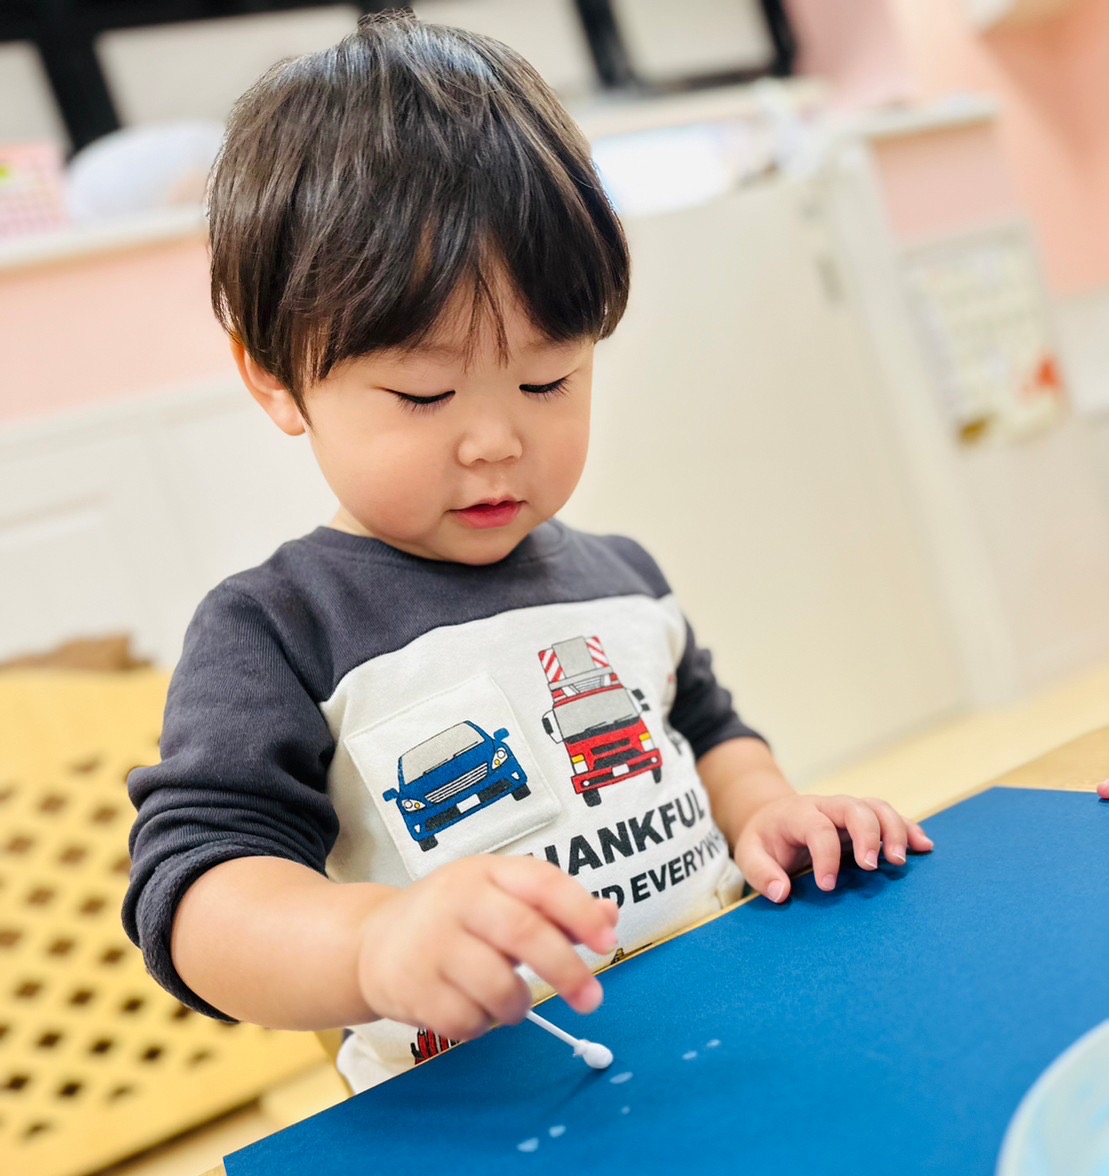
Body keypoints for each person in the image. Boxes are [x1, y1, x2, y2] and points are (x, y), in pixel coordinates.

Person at [123, 14, 933, 1092]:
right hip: (479, 1114)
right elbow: (196, 896)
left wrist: (768, 812)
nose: (495, 440)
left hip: (711, 1037)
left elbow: (709, 732)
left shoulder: (622, 578)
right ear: (274, 378)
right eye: (423, 393)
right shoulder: (277, 628)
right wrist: (369, 943)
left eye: (548, 379)